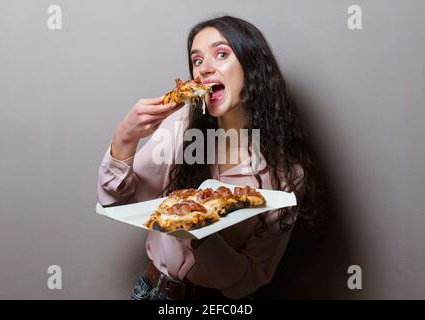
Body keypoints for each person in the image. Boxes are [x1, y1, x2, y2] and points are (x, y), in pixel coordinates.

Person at [97, 15, 321, 300]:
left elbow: (247, 280)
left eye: (221, 54)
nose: (203, 69)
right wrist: (125, 138)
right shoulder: (181, 125)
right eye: (197, 60)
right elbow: (115, 202)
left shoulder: (287, 175)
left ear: (252, 66)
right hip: (152, 291)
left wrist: (199, 232)